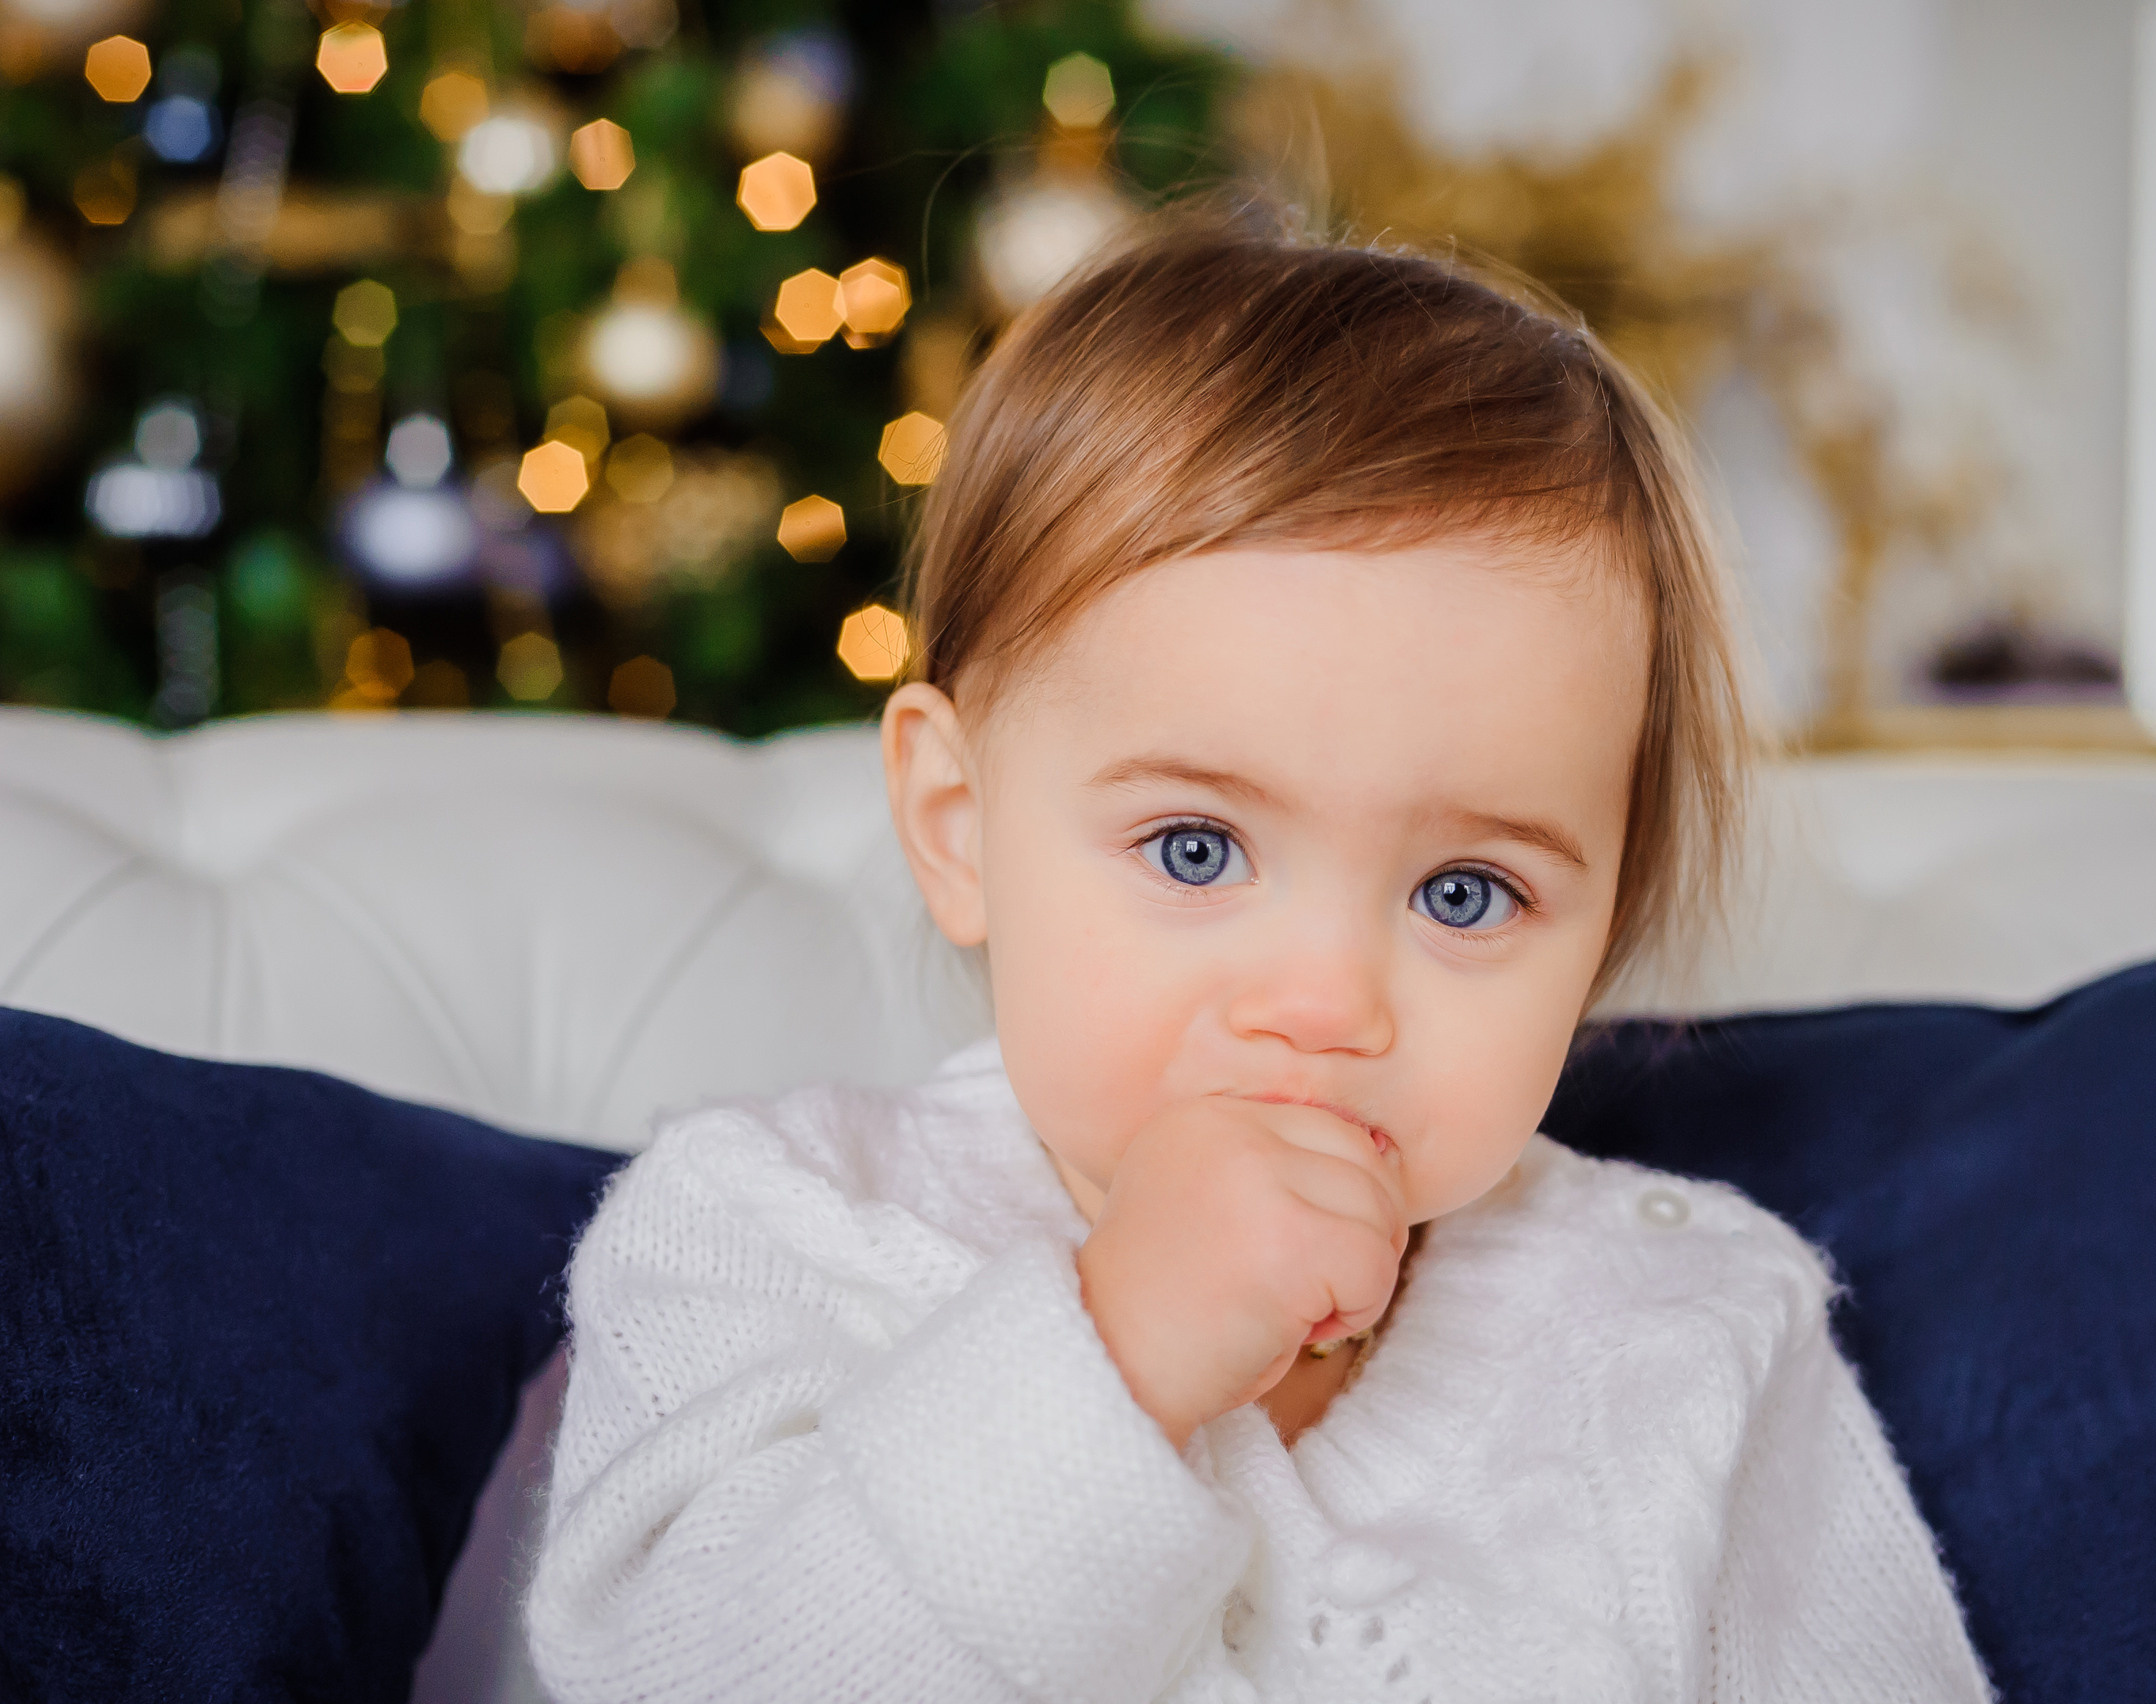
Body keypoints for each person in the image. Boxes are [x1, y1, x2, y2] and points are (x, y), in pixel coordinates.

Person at [524, 211, 1992, 1703]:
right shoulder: (774, 1226)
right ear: (962, 829)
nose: (1327, 1005)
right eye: (1196, 850)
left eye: (1467, 894)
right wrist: (1118, 1349)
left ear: (1602, 931)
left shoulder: (1693, 1336)